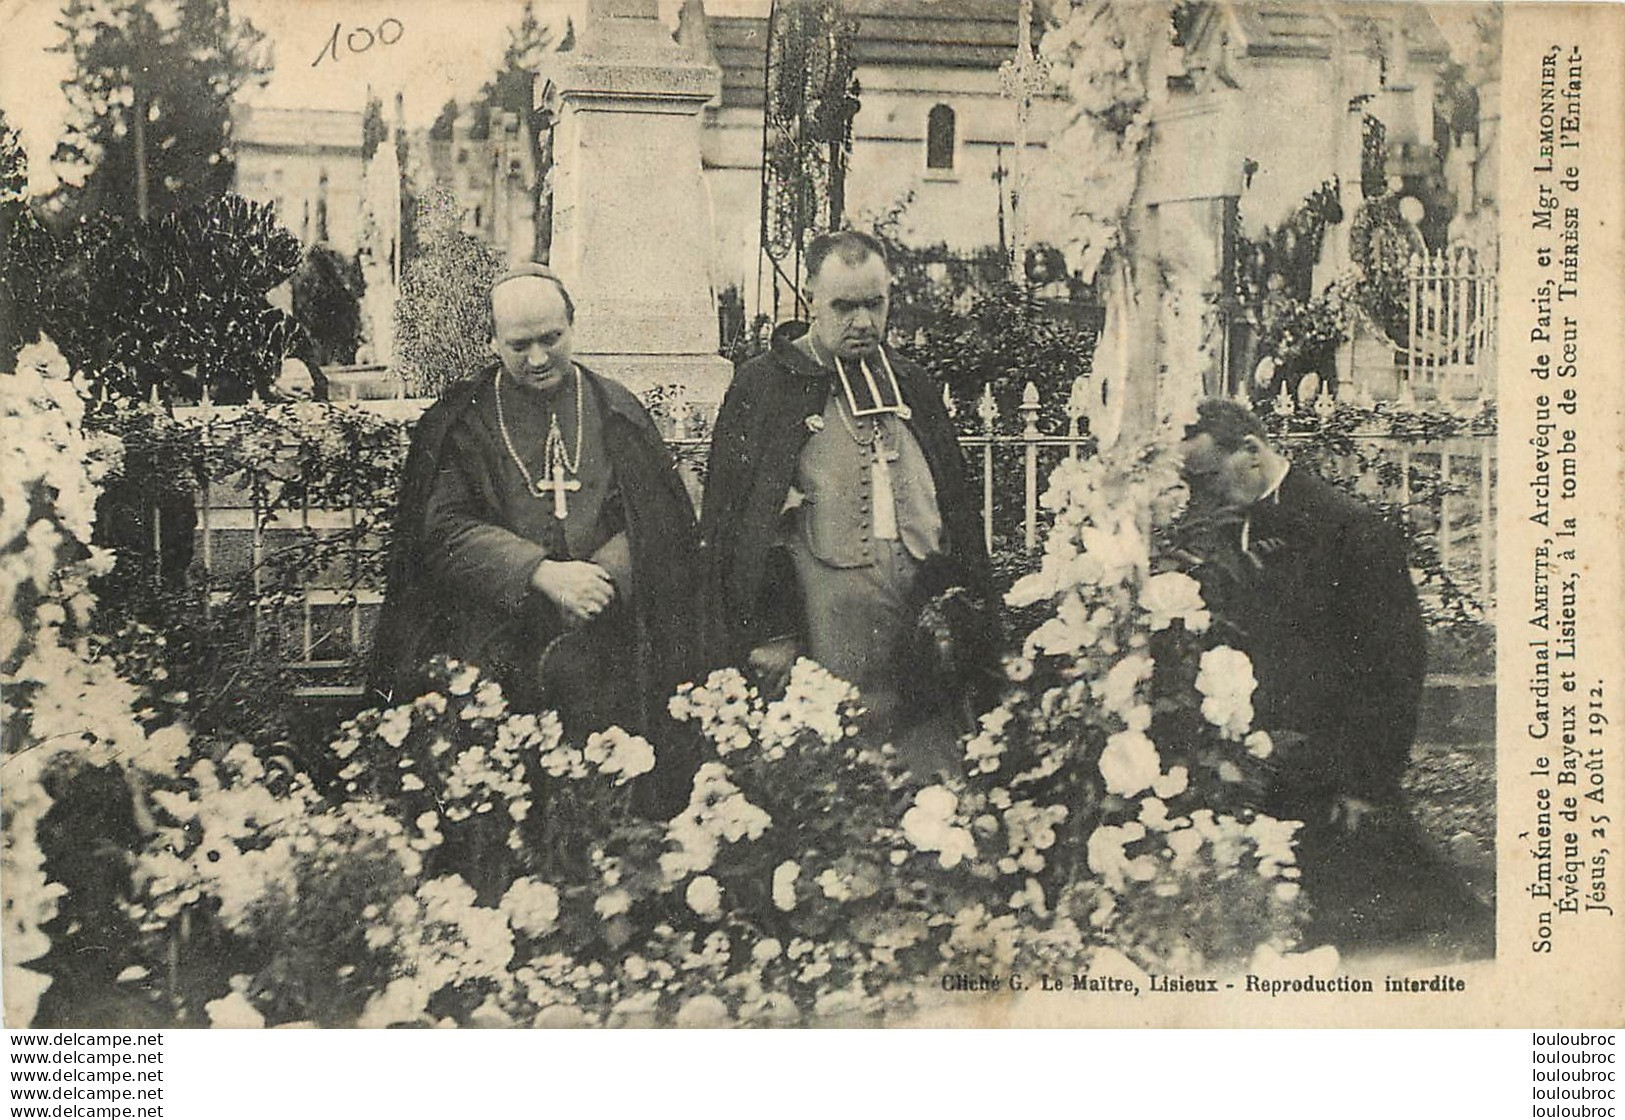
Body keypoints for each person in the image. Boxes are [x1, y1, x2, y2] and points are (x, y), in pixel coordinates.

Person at [371, 264, 702, 809]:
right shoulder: (463, 420)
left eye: (552, 338)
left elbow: (657, 520)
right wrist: (541, 573)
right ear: (492, 340)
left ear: (573, 326)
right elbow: (442, 529)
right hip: (496, 637)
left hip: (607, 636)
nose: (539, 358)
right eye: (519, 344)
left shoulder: (614, 408)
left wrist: (601, 579)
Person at [1178, 398, 1491, 955]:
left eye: (1209, 478)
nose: (1203, 497)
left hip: (1332, 774)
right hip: (1257, 771)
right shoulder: (1224, 533)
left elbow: (1394, 670)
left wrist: (1365, 783)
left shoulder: (1349, 530)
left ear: (1251, 451)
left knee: (1389, 937)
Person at [700, 231, 994, 778]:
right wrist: (770, 631)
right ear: (810, 298)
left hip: (916, 609)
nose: (862, 322)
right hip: (824, 616)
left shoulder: (913, 383)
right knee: (835, 770)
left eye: (874, 304)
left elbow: (957, 510)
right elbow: (739, 525)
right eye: (844, 306)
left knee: (926, 761)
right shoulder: (764, 388)